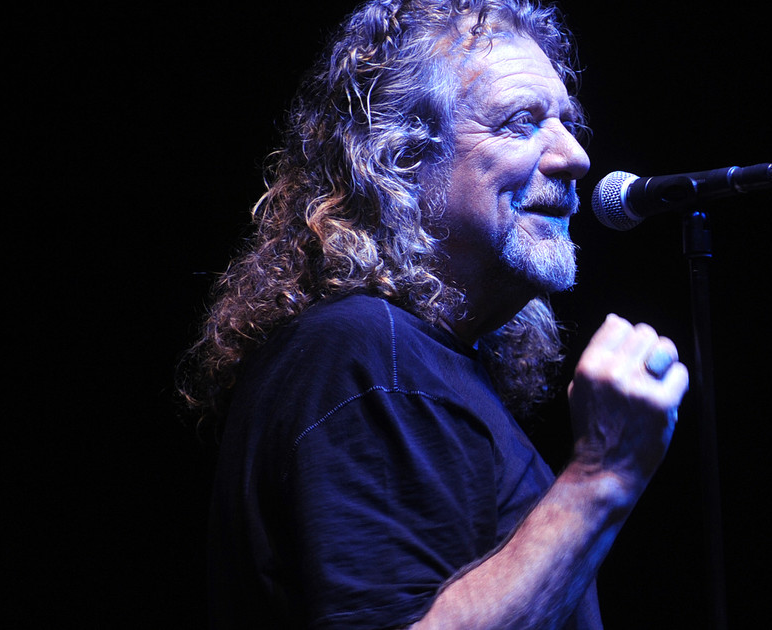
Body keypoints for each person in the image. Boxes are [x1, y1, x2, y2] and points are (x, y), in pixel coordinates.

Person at [177, 1, 689, 627]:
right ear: (404, 158)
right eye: (521, 123)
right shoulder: (363, 351)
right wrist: (604, 476)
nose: (576, 156)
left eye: (566, 122)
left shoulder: (417, 361)